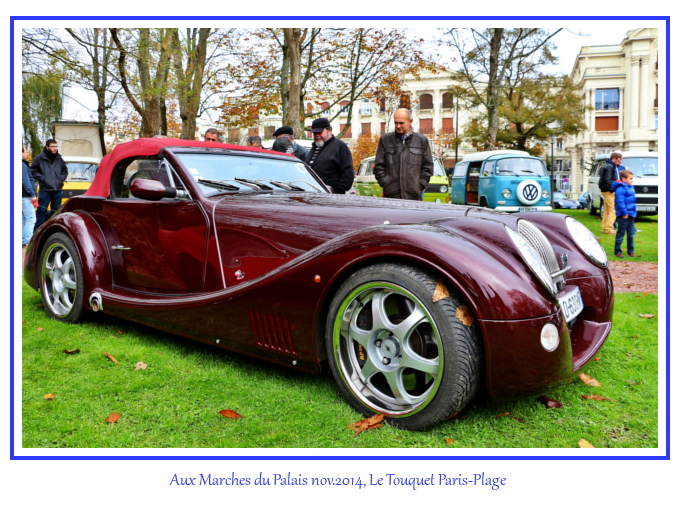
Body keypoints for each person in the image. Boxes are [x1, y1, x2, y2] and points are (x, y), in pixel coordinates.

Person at [373, 108, 434, 200]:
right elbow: (378, 166)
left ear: (410, 121)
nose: (398, 126)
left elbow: (428, 167)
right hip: (391, 196)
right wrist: (386, 183)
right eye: (396, 123)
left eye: (401, 123)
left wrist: (420, 185)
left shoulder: (422, 141)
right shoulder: (385, 140)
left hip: (414, 196)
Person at [304, 118, 354, 194]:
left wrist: (337, 192)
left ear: (329, 130)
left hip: (331, 195)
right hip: (312, 193)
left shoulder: (339, 146)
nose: (317, 135)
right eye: (314, 133)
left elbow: (348, 173)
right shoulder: (315, 147)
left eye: (319, 132)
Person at [31, 139, 68, 231]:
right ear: (47, 147)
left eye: (56, 146)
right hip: (45, 189)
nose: (55, 148)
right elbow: (33, 171)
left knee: (56, 212)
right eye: (52, 146)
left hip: (57, 190)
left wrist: (60, 179)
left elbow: (65, 171)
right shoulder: (39, 158)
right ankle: (37, 232)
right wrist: (44, 179)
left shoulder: (59, 158)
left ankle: (53, 232)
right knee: (41, 211)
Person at [612, 169, 637, 258]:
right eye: (630, 178)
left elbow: (631, 201)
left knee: (631, 234)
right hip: (624, 215)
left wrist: (632, 212)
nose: (632, 180)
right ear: (624, 179)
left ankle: (631, 251)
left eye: (632, 178)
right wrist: (624, 213)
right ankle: (617, 251)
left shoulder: (630, 187)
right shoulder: (620, 189)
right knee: (621, 233)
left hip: (631, 214)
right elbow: (620, 202)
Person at [598, 152, 622, 234]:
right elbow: (608, 180)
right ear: (614, 159)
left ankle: (605, 227)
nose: (620, 162)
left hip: (604, 189)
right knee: (613, 210)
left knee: (607, 210)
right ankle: (609, 228)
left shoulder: (607, 165)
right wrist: (613, 188)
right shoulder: (610, 167)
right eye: (618, 160)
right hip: (608, 190)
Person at [21, 146, 38, 258]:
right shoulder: (22, 165)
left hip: (21, 195)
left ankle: (22, 240)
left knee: (23, 219)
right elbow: (25, 181)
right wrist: (32, 195)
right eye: (26, 152)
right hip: (25, 196)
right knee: (31, 218)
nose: (27, 154)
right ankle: (27, 241)